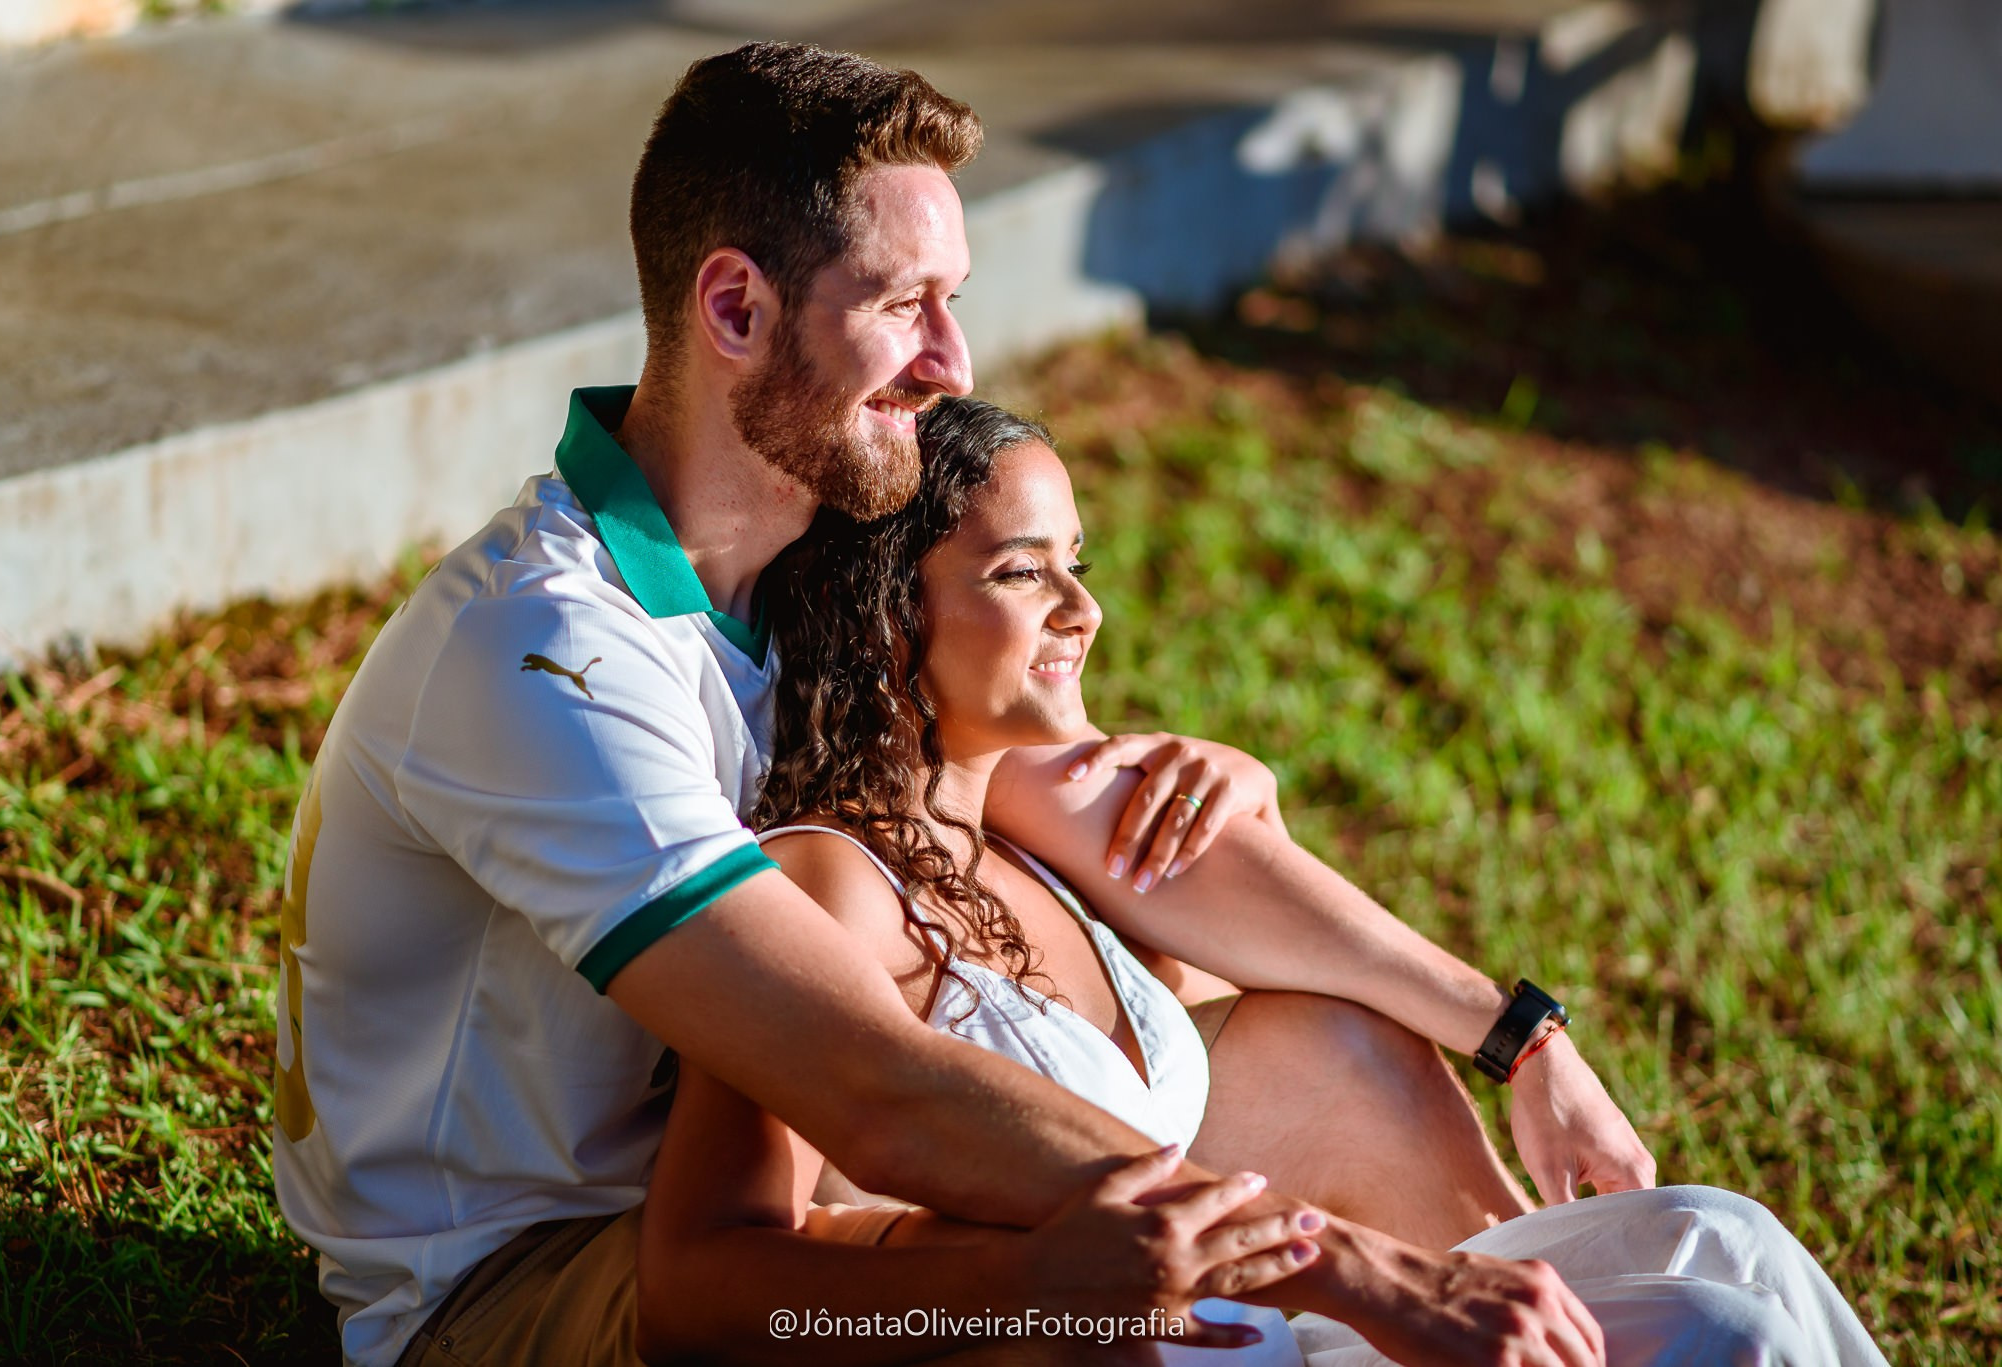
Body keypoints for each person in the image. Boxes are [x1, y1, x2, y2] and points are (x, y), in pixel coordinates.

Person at [275, 41, 1642, 1367]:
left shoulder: (802, 560)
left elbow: (1096, 812)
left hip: (793, 1185)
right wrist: (1349, 1267)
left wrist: (1514, 1031)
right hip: (531, 1280)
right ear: (737, 309)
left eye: (958, 298)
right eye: (904, 304)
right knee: (1054, 1290)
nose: (955, 361)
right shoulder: (546, 648)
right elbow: (871, 1081)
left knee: (1332, 1049)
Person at [633, 396, 1890, 1366]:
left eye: (1078, 561)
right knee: (1716, 1335)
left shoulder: (1019, 822)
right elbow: (726, 1290)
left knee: (1724, 1234)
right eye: (1023, 571)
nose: (1084, 608)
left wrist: (1520, 1035)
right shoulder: (828, 884)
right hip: (1148, 1346)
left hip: (1262, 1323)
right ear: (879, 616)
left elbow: (1276, 984)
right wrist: (1008, 1308)